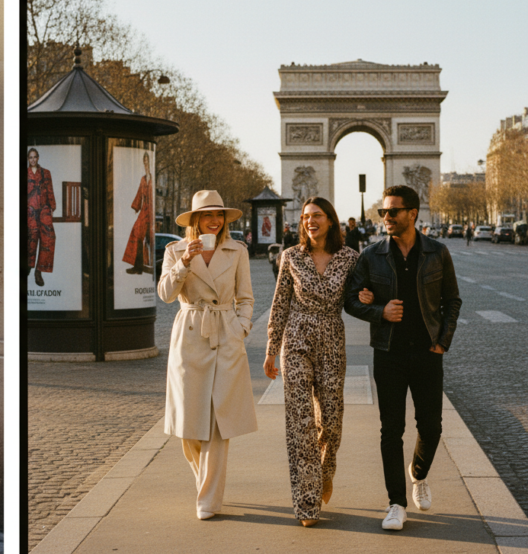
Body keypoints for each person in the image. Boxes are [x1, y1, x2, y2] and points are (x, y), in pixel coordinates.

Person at [344, 185, 462, 531]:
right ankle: (395, 502)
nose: (386, 218)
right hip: (389, 352)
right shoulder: (372, 254)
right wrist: (380, 311)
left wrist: (442, 342)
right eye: (383, 212)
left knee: (431, 426)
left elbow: (452, 300)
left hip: (428, 351)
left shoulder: (438, 253)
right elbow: (351, 299)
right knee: (390, 429)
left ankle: (419, 473)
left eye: (393, 211)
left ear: (413, 213)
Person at [158, 190, 257, 520]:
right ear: (195, 221)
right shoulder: (175, 250)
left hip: (226, 335)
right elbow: (166, 294)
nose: (215, 221)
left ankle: (208, 499)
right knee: (189, 424)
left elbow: (246, 297)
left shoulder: (237, 250)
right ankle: (206, 483)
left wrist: (240, 326)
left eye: (219, 216)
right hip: (189, 336)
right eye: (207, 215)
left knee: (218, 421)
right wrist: (185, 262)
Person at [264, 197, 363, 526]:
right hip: (296, 340)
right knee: (300, 423)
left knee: (331, 421)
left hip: (332, 339)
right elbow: (279, 304)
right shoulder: (290, 257)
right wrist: (270, 348)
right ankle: (306, 503)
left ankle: (325, 470)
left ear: (331, 220)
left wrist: (367, 296)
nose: (310, 221)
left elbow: (357, 296)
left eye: (317, 215)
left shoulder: (350, 258)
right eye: (306, 216)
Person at [27, 148, 56, 287]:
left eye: (34, 157)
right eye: (30, 157)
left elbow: (50, 189)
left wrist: (52, 207)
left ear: (38, 158)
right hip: (30, 210)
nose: (32, 159)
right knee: (31, 237)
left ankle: (39, 270)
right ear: (28, 159)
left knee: (49, 238)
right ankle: (28, 265)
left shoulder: (46, 173)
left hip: (44, 209)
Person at [123, 152, 154, 274]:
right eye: (144, 162)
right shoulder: (143, 179)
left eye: (147, 162)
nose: (146, 164)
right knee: (136, 233)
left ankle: (143, 265)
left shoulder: (153, 178)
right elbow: (140, 193)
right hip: (144, 210)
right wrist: (136, 207)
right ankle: (138, 266)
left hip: (150, 211)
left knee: (146, 237)